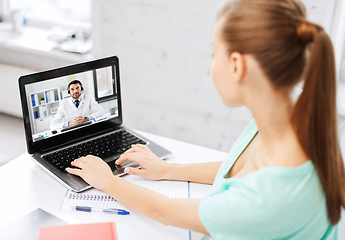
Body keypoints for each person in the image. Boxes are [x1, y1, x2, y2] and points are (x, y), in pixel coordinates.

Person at [66, 0, 345, 239]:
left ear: (236, 65)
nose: (211, 67)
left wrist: (107, 180)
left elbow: (163, 211)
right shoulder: (295, 111)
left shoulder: (268, 196)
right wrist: (169, 170)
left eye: (215, 54)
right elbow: (236, 168)